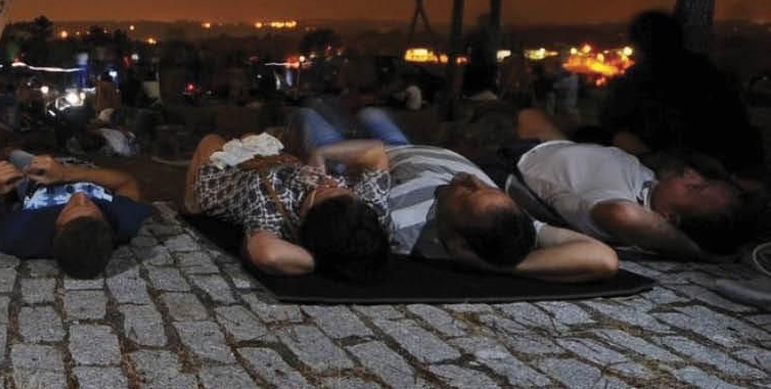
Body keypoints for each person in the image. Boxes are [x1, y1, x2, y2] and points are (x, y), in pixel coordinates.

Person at [294, 106, 619, 281]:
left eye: (466, 195)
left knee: (309, 114)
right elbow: (605, 259)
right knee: (371, 113)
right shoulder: (506, 225)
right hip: (414, 149)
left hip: (380, 156)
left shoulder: (401, 226)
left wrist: (326, 156)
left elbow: (369, 162)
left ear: (459, 243)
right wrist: (507, 267)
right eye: (481, 187)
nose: (469, 179)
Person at [508, 108, 754, 259]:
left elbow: (623, 215)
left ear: (668, 217)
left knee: (503, 113)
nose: (693, 175)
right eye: (702, 179)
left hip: (525, 157)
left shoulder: (622, 207)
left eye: (694, 188)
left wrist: (698, 252)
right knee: (531, 113)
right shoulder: (653, 185)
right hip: (557, 144)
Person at [184, 125, 391, 281]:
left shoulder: (273, 204)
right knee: (255, 137)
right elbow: (376, 151)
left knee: (210, 141)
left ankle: (190, 205)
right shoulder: (367, 217)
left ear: (309, 211)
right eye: (343, 188)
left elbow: (268, 255)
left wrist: (324, 260)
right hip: (279, 164)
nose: (329, 181)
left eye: (325, 191)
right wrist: (321, 154)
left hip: (231, 183)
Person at [598, 10, 764, 173]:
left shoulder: (638, 79)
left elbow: (612, 125)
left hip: (675, 163)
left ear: (640, 43)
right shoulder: (709, 71)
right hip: (717, 159)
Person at [0, 152, 150, 278]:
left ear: (56, 227)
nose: (80, 196)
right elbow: (127, 181)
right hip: (83, 167)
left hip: (33, 174)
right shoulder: (121, 220)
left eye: (71, 206)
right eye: (90, 204)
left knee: (11, 154)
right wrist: (67, 173)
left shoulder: (25, 231)